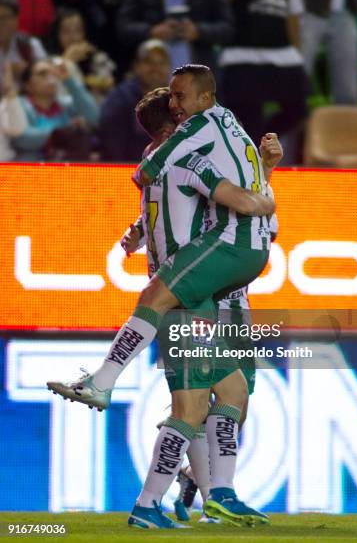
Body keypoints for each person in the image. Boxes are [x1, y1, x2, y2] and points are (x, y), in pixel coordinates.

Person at [48, 85, 276, 528]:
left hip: (194, 292)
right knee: (193, 409)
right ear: (176, 128)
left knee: (230, 394)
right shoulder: (188, 161)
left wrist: (136, 232)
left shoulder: (156, 168)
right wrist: (265, 189)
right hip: (192, 299)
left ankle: (203, 493)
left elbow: (154, 202)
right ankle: (169, 500)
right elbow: (245, 204)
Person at [216, 0, 308, 162]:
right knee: (250, 116)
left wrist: (297, 53)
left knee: (298, 109)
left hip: (282, 53)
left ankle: (257, 150)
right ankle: (251, 175)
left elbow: (292, 13)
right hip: (242, 51)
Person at [10, 57, 99, 160]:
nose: (50, 78)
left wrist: (69, 81)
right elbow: (20, 138)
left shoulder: (65, 104)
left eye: (52, 73)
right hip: (33, 170)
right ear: (28, 85)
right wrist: (61, 132)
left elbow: (94, 118)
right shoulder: (18, 105)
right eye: (42, 74)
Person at [99, 39, 171, 162]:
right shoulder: (121, 98)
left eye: (161, 63)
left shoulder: (177, 101)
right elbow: (112, 145)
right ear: (136, 66)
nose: (155, 68)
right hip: (127, 170)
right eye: (149, 62)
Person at [48, 8, 115, 104]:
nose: (74, 37)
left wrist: (105, 86)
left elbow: (109, 87)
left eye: (78, 30)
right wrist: (67, 61)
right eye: (66, 31)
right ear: (57, 34)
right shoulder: (51, 61)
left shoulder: (97, 57)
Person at [0, 0, 47, 96]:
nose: (0, 24)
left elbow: (47, 78)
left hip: (27, 106)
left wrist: (28, 74)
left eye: (4, 18)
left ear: (16, 18)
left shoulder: (29, 45)